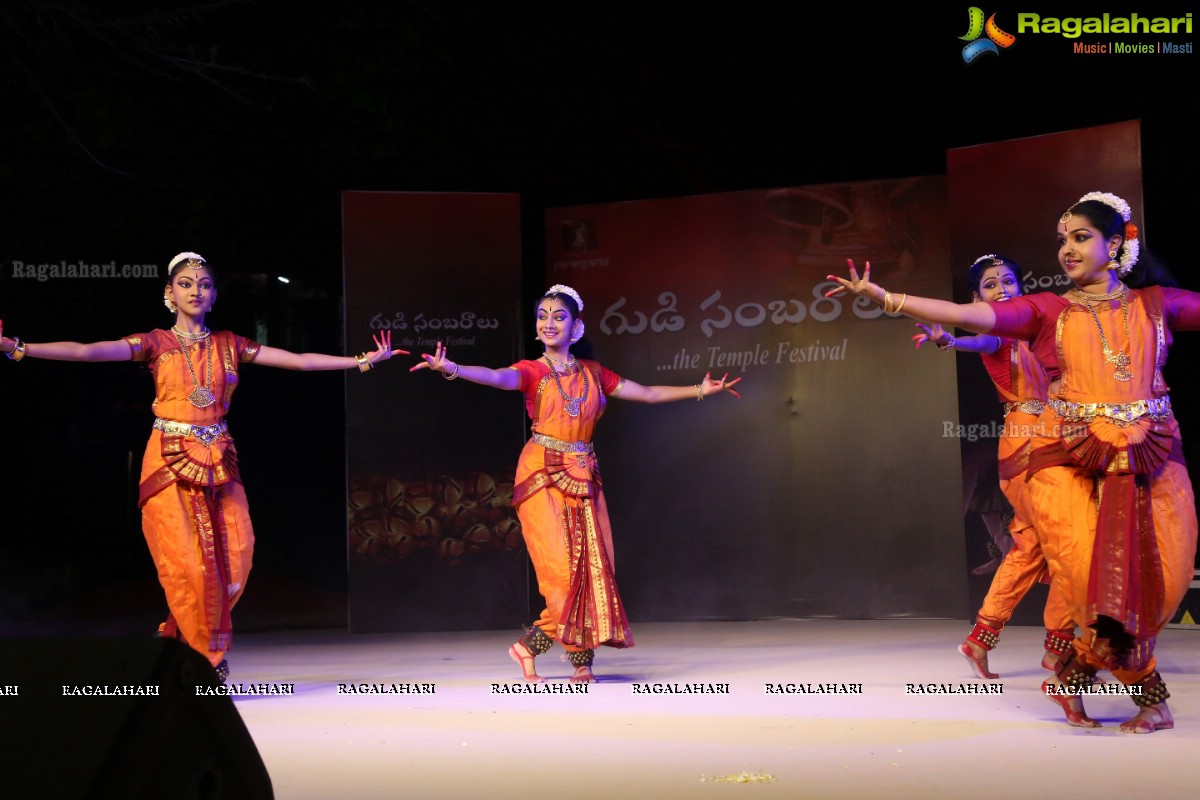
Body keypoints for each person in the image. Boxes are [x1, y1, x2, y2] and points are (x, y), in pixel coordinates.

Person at [826, 192, 1197, 733]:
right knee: (1075, 567)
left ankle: (1068, 675)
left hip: (1152, 453)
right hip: (1056, 453)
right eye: (1062, 240)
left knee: (1162, 578)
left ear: (1115, 243)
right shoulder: (1042, 312)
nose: (1066, 249)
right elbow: (967, 318)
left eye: (1080, 237)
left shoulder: (1156, 305)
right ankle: (1133, 692)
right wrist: (888, 298)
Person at [0, 252, 401, 681]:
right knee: (188, 564)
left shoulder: (230, 344)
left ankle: (175, 637)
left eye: (205, 284)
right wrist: (21, 349)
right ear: (169, 294)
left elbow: (299, 361)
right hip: (169, 457)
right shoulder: (153, 343)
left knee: (237, 556)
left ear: (214, 295)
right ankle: (208, 661)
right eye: (186, 284)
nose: (196, 290)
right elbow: (87, 351)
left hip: (220, 456)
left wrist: (360, 362)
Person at [411, 284, 741, 682]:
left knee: (591, 568)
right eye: (543, 316)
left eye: (559, 316)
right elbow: (498, 377)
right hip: (541, 474)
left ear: (577, 326)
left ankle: (545, 651)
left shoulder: (594, 373)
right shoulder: (532, 371)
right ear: (536, 328)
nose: (549, 323)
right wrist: (454, 369)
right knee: (561, 573)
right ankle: (570, 654)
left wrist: (700, 390)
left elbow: (648, 393)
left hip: (584, 473)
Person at [911, 255, 1073, 679]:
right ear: (976, 299)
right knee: (1065, 544)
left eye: (1008, 281)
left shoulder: (1044, 330)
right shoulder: (999, 333)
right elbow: (981, 342)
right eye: (989, 285)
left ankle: (983, 639)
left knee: (1036, 546)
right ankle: (1059, 653)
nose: (1001, 289)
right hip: (1026, 442)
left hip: (1055, 437)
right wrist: (951, 342)